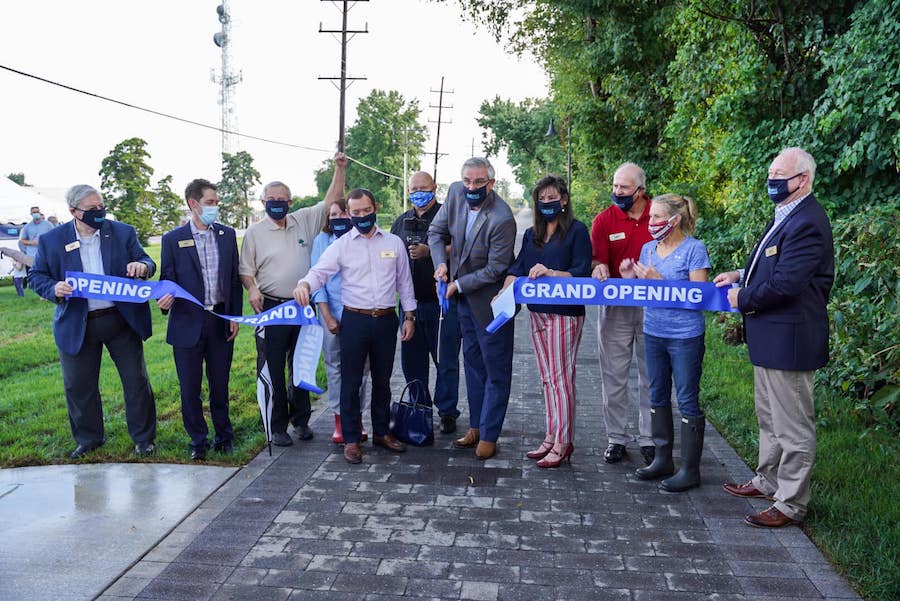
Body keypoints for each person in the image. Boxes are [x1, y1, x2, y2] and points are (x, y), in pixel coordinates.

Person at [716, 147, 834, 528]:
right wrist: (739, 274)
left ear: (804, 180)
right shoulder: (788, 215)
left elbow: (787, 282)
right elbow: (771, 262)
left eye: (780, 175)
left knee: (793, 426)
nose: (772, 181)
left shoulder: (809, 221)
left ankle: (790, 503)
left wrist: (742, 298)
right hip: (770, 338)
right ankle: (768, 480)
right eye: (771, 173)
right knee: (769, 419)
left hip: (791, 341)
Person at [29, 185, 157, 459]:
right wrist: (53, 289)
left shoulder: (122, 232)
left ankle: (144, 439)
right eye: (92, 209)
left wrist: (143, 267)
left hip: (120, 319)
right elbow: (36, 276)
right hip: (78, 322)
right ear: (74, 212)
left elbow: (147, 260)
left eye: (101, 206)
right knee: (79, 385)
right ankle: (88, 439)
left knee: (136, 381)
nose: (99, 212)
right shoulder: (53, 240)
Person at [293, 188, 416, 464]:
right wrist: (304, 284)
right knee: (351, 381)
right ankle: (351, 439)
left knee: (383, 381)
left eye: (366, 210)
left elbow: (404, 283)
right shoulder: (341, 245)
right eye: (356, 212)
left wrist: (409, 317)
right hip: (355, 320)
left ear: (375, 208)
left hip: (385, 320)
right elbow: (319, 272)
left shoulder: (394, 243)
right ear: (349, 214)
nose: (362, 216)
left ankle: (382, 433)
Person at [240, 153, 346, 446]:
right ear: (263, 202)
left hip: (302, 307)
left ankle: (302, 420)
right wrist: (251, 288)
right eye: (271, 198)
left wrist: (339, 169)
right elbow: (246, 271)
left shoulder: (303, 221)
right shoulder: (254, 233)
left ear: (290, 202)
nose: (277, 202)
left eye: (282, 198)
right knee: (273, 368)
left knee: (301, 365)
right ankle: (277, 426)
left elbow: (331, 201)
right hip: (272, 307)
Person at [620, 194, 710, 491]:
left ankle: (690, 469)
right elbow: (642, 293)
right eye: (651, 217)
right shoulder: (648, 249)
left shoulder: (694, 250)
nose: (652, 223)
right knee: (656, 393)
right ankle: (662, 459)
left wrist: (662, 283)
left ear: (676, 219)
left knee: (686, 398)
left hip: (685, 336)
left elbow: (700, 298)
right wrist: (628, 278)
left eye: (659, 217)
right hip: (653, 331)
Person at [428, 157, 517, 460]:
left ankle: (490, 435)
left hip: (492, 303)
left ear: (491, 183)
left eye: (479, 182)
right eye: (467, 180)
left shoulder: (502, 217)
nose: (471, 187)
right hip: (462, 302)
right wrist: (441, 263)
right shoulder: (454, 193)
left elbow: (496, 269)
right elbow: (436, 234)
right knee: (472, 367)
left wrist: (458, 284)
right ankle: (476, 426)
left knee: (496, 370)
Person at [503, 175, 591, 467]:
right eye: (542, 199)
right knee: (546, 378)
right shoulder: (532, 234)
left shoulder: (577, 231)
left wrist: (553, 272)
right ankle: (551, 434)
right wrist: (506, 287)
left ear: (564, 199)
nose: (547, 203)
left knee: (561, 379)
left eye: (552, 198)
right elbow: (519, 266)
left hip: (564, 313)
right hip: (537, 312)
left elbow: (581, 269)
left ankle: (564, 442)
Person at [157, 179, 242, 460]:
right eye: (210, 203)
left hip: (219, 319)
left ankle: (224, 436)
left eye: (216, 203)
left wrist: (234, 316)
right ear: (193, 204)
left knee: (220, 384)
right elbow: (167, 279)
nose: (215, 207)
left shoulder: (226, 235)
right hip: (187, 324)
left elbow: (232, 280)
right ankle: (198, 441)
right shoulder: (172, 239)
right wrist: (164, 300)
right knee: (190, 388)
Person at [590, 162, 654, 465]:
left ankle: (650, 438)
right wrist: (599, 267)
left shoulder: (660, 215)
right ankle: (616, 438)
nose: (617, 192)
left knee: (651, 376)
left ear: (640, 190)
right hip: (615, 307)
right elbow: (596, 260)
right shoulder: (604, 220)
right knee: (613, 375)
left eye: (624, 188)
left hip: (653, 306)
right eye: (615, 186)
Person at [391, 171, 461, 434]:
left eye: (424, 187)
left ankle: (447, 412)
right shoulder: (401, 221)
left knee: (445, 360)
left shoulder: (449, 217)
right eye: (414, 188)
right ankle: (420, 409)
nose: (418, 192)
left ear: (434, 188)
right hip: (409, 305)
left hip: (442, 303)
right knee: (411, 361)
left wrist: (431, 251)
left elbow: (463, 247)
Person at [311, 197, 371, 444]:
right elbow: (317, 279)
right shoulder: (322, 241)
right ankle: (339, 420)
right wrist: (327, 315)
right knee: (335, 366)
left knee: (362, 369)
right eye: (333, 215)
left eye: (343, 214)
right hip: (332, 313)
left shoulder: (363, 239)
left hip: (359, 312)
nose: (338, 218)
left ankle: (356, 418)